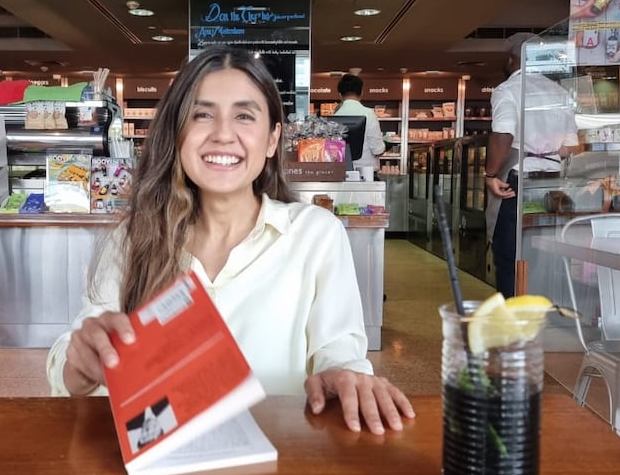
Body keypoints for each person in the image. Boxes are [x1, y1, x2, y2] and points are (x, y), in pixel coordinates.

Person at [47, 47, 415, 435]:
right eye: (202, 114)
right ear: (176, 133)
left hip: (276, 469)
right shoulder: (133, 239)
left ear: (273, 139)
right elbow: (73, 363)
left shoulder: (315, 234)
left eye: (244, 116)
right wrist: (81, 363)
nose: (223, 134)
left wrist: (345, 378)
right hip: (159, 473)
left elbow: (339, 352)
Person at [484, 33, 579, 299]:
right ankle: (539, 313)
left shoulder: (508, 90)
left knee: (510, 252)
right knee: (543, 253)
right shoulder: (559, 92)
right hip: (551, 184)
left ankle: (513, 316)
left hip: (517, 182)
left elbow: (503, 134)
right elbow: (569, 146)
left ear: (512, 60)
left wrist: (490, 174)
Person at [334, 74, 385, 174]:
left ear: (340, 95)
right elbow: (377, 150)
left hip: (341, 173)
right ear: (361, 92)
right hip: (367, 174)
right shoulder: (369, 114)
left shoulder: (335, 117)